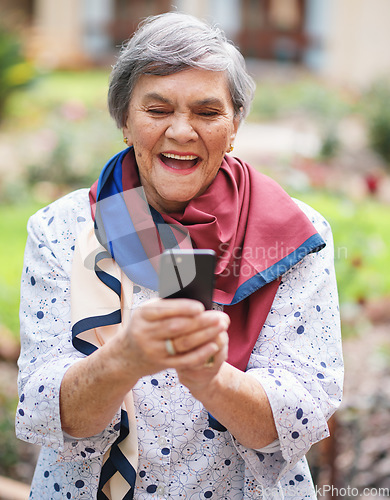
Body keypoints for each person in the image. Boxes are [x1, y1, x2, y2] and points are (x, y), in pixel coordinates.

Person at [16, 12, 343, 500]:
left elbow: (299, 419)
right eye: (157, 109)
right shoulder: (61, 229)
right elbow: (45, 412)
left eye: (208, 112)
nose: (182, 131)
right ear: (125, 120)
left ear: (234, 127)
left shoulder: (296, 235)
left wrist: (210, 377)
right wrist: (124, 359)